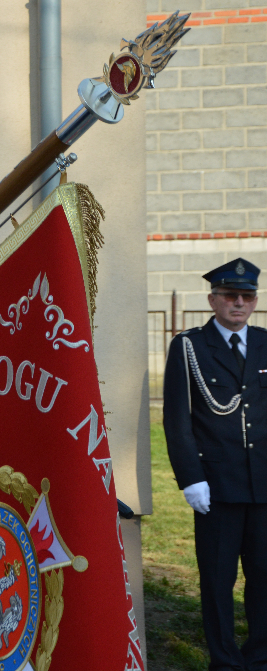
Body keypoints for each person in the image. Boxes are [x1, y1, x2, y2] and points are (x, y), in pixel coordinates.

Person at [163, 258, 267, 671]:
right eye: (230, 296)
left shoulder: (265, 342)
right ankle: (225, 661)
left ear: (255, 301)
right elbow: (177, 419)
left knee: (264, 576)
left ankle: (260, 657)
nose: (238, 303)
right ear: (213, 300)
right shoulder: (189, 346)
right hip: (217, 484)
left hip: (263, 483)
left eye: (247, 296)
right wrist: (191, 478)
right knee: (218, 580)